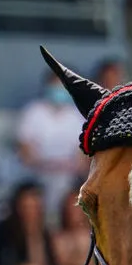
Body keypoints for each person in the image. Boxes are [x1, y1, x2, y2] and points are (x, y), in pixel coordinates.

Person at [16, 71, 86, 219]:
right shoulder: (33, 112)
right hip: (38, 174)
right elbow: (24, 152)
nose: (59, 91)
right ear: (47, 87)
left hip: (68, 177)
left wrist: (67, 166)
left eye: (62, 87)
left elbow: (82, 159)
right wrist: (45, 164)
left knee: (65, 187)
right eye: (55, 86)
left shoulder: (77, 116)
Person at [0, 181, 48, 265]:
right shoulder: (0, 233)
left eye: (34, 208)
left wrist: (34, 237)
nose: (30, 213)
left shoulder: (45, 235)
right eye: (26, 207)